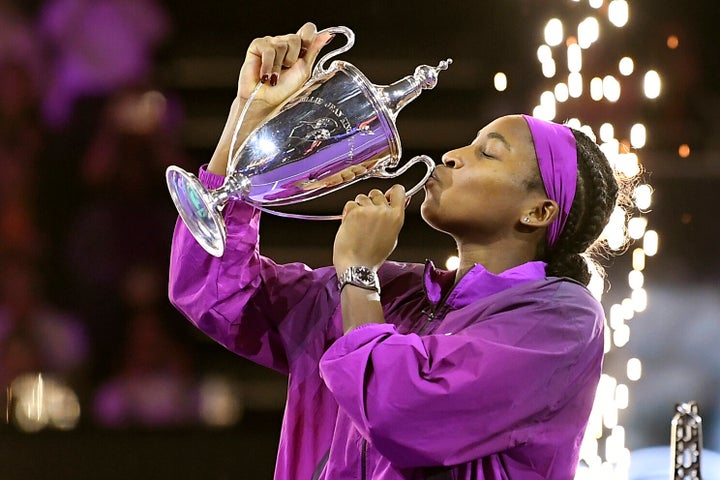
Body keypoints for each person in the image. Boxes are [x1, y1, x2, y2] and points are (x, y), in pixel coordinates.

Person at [168, 22, 620, 480]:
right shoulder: (396, 291)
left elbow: (401, 412)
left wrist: (360, 275)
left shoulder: (561, 320)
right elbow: (213, 291)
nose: (452, 155)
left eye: (488, 153)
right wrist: (249, 115)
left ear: (538, 211)